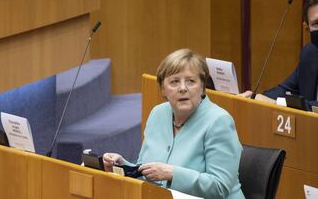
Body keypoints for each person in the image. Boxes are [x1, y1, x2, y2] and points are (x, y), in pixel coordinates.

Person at [103, 49, 245, 199]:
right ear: (163, 89)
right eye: (174, 82)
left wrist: (172, 174)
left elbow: (219, 187)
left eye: (191, 81)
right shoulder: (157, 114)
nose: (183, 88)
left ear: (202, 87)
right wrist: (122, 166)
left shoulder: (219, 121)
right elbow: (147, 171)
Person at [242, 0, 318, 121]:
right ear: (308, 29)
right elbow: (286, 89)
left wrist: (277, 104)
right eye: (316, 23)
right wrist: (256, 98)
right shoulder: (310, 53)